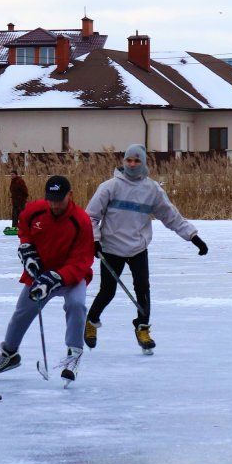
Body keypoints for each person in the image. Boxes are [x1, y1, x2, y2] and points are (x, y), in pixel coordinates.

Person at [84, 144, 208, 354]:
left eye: (136, 161)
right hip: (111, 247)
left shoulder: (152, 190)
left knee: (143, 289)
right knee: (108, 291)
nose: (132, 164)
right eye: (128, 160)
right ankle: (91, 322)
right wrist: (95, 240)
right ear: (123, 162)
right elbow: (91, 216)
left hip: (137, 248)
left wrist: (193, 237)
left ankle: (142, 328)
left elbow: (171, 217)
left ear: (143, 163)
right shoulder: (110, 186)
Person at [0, 175, 94, 385]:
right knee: (22, 312)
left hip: (71, 275)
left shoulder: (81, 221)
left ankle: (74, 356)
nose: (55, 204)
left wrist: (55, 278)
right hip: (40, 273)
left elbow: (82, 261)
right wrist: (28, 252)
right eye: (51, 199)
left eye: (59, 199)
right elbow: (25, 230)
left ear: (70, 195)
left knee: (76, 305)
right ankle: (9, 356)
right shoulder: (34, 211)